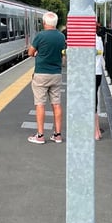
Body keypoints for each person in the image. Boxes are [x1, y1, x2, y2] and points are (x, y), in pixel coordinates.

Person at [27, 11, 67, 144]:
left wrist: (38, 52)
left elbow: (30, 53)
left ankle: (40, 135)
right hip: (56, 74)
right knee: (56, 104)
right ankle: (57, 135)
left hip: (41, 74)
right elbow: (63, 52)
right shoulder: (61, 37)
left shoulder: (40, 36)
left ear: (44, 23)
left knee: (40, 104)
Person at [95, 30, 105, 141]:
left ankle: (95, 132)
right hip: (98, 72)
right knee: (94, 100)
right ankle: (97, 130)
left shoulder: (85, 40)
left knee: (90, 102)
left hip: (89, 73)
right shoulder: (99, 39)